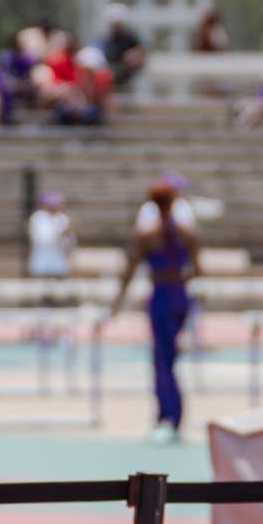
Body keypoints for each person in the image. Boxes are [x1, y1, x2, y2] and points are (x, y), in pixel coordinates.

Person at [110, 179, 198, 444]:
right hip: (180, 295)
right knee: (169, 358)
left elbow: (130, 270)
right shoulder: (188, 233)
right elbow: (198, 268)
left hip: (161, 294)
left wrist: (117, 302)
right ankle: (173, 414)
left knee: (162, 359)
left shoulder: (147, 236)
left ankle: (167, 416)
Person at [27, 191, 75, 281]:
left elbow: (69, 240)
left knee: (60, 288)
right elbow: (42, 239)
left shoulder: (62, 218)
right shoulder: (38, 218)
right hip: (42, 262)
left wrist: (69, 244)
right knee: (42, 288)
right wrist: (61, 232)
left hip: (60, 262)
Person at [100, 4, 147, 91]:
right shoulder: (104, 39)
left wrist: (133, 55)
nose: (117, 27)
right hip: (110, 72)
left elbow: (141, 53)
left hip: (126, 75)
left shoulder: (131, 38)